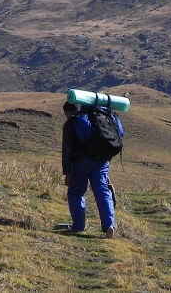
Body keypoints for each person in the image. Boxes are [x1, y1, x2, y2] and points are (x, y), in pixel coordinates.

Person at [59, 102, 122, 238]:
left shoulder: (73, 122)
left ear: (69, 111)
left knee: (76, 192)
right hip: (102, 160)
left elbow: (67, 150)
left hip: (81, 161)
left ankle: (78, 226)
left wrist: (67, 172)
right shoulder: (103, 116)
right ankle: (109, 226)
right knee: (102, 191)